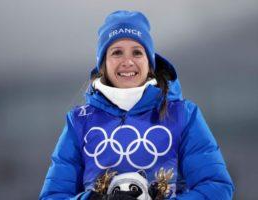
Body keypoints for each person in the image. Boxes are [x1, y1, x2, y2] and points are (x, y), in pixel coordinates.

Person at [39, 10, 234, 200]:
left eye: (137, 52)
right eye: (117, 52)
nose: (128, 61)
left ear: (150, 64)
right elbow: (53, 195)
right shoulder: (79, 121)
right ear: (103, 64)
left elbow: (217, 188)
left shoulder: (183, 115)